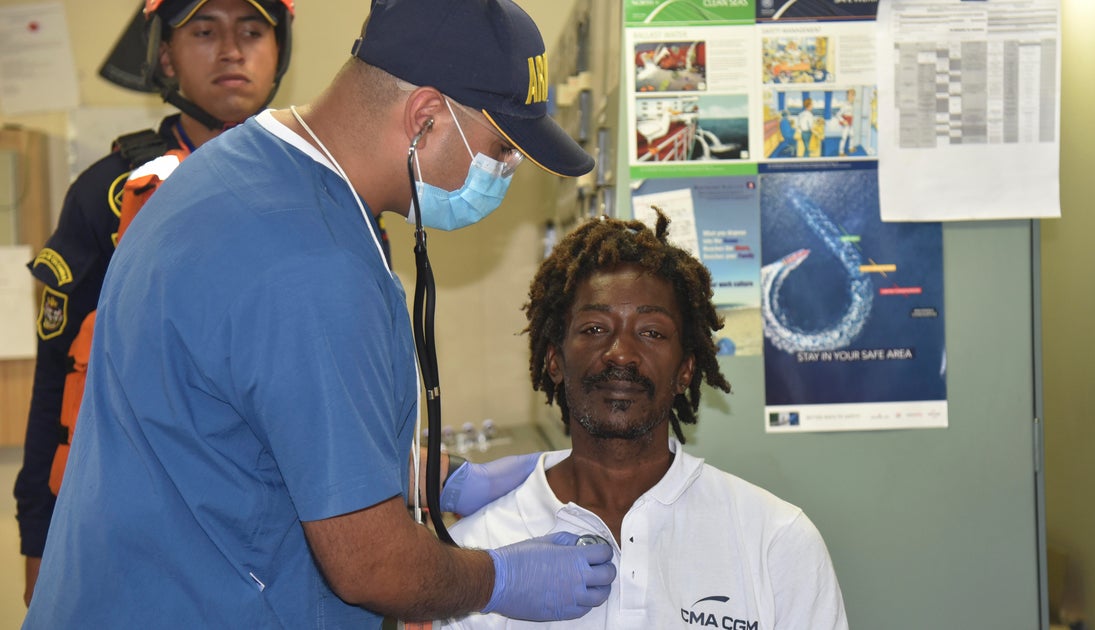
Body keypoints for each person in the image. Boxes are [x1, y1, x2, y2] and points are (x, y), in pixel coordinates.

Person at [22, 0, 615, 627]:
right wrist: (502, 577)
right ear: (426, 119)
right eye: (502, 148)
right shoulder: (310, 263)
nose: (508, 170)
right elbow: (372, 565)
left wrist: (443, 480)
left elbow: (255, 431)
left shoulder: (238, 172)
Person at [440, 210, 849, 629]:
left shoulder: (776, 540)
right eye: (595, 328)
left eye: (652, 331)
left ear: (685, 370)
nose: (621, 352)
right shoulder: (477, 556)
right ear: (555, 361)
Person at [15, 0, 295, 607]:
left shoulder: (323, 184)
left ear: (280, 51)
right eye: (204, 31)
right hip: (135, 531)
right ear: (164, 54)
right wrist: (37, 538)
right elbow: (57, 382)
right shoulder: (109, 194)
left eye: (252, 31)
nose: (231, 49)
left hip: (285, 529)